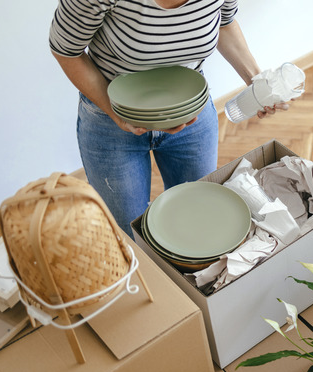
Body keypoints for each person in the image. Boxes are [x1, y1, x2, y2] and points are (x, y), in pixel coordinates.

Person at [49, 0, 287, 236]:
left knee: (196, 216)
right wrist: (116, 113)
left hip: (191, 113)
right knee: (128, 234)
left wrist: (257, 80)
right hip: (111, 122)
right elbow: (66, 50)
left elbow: (224, 23)